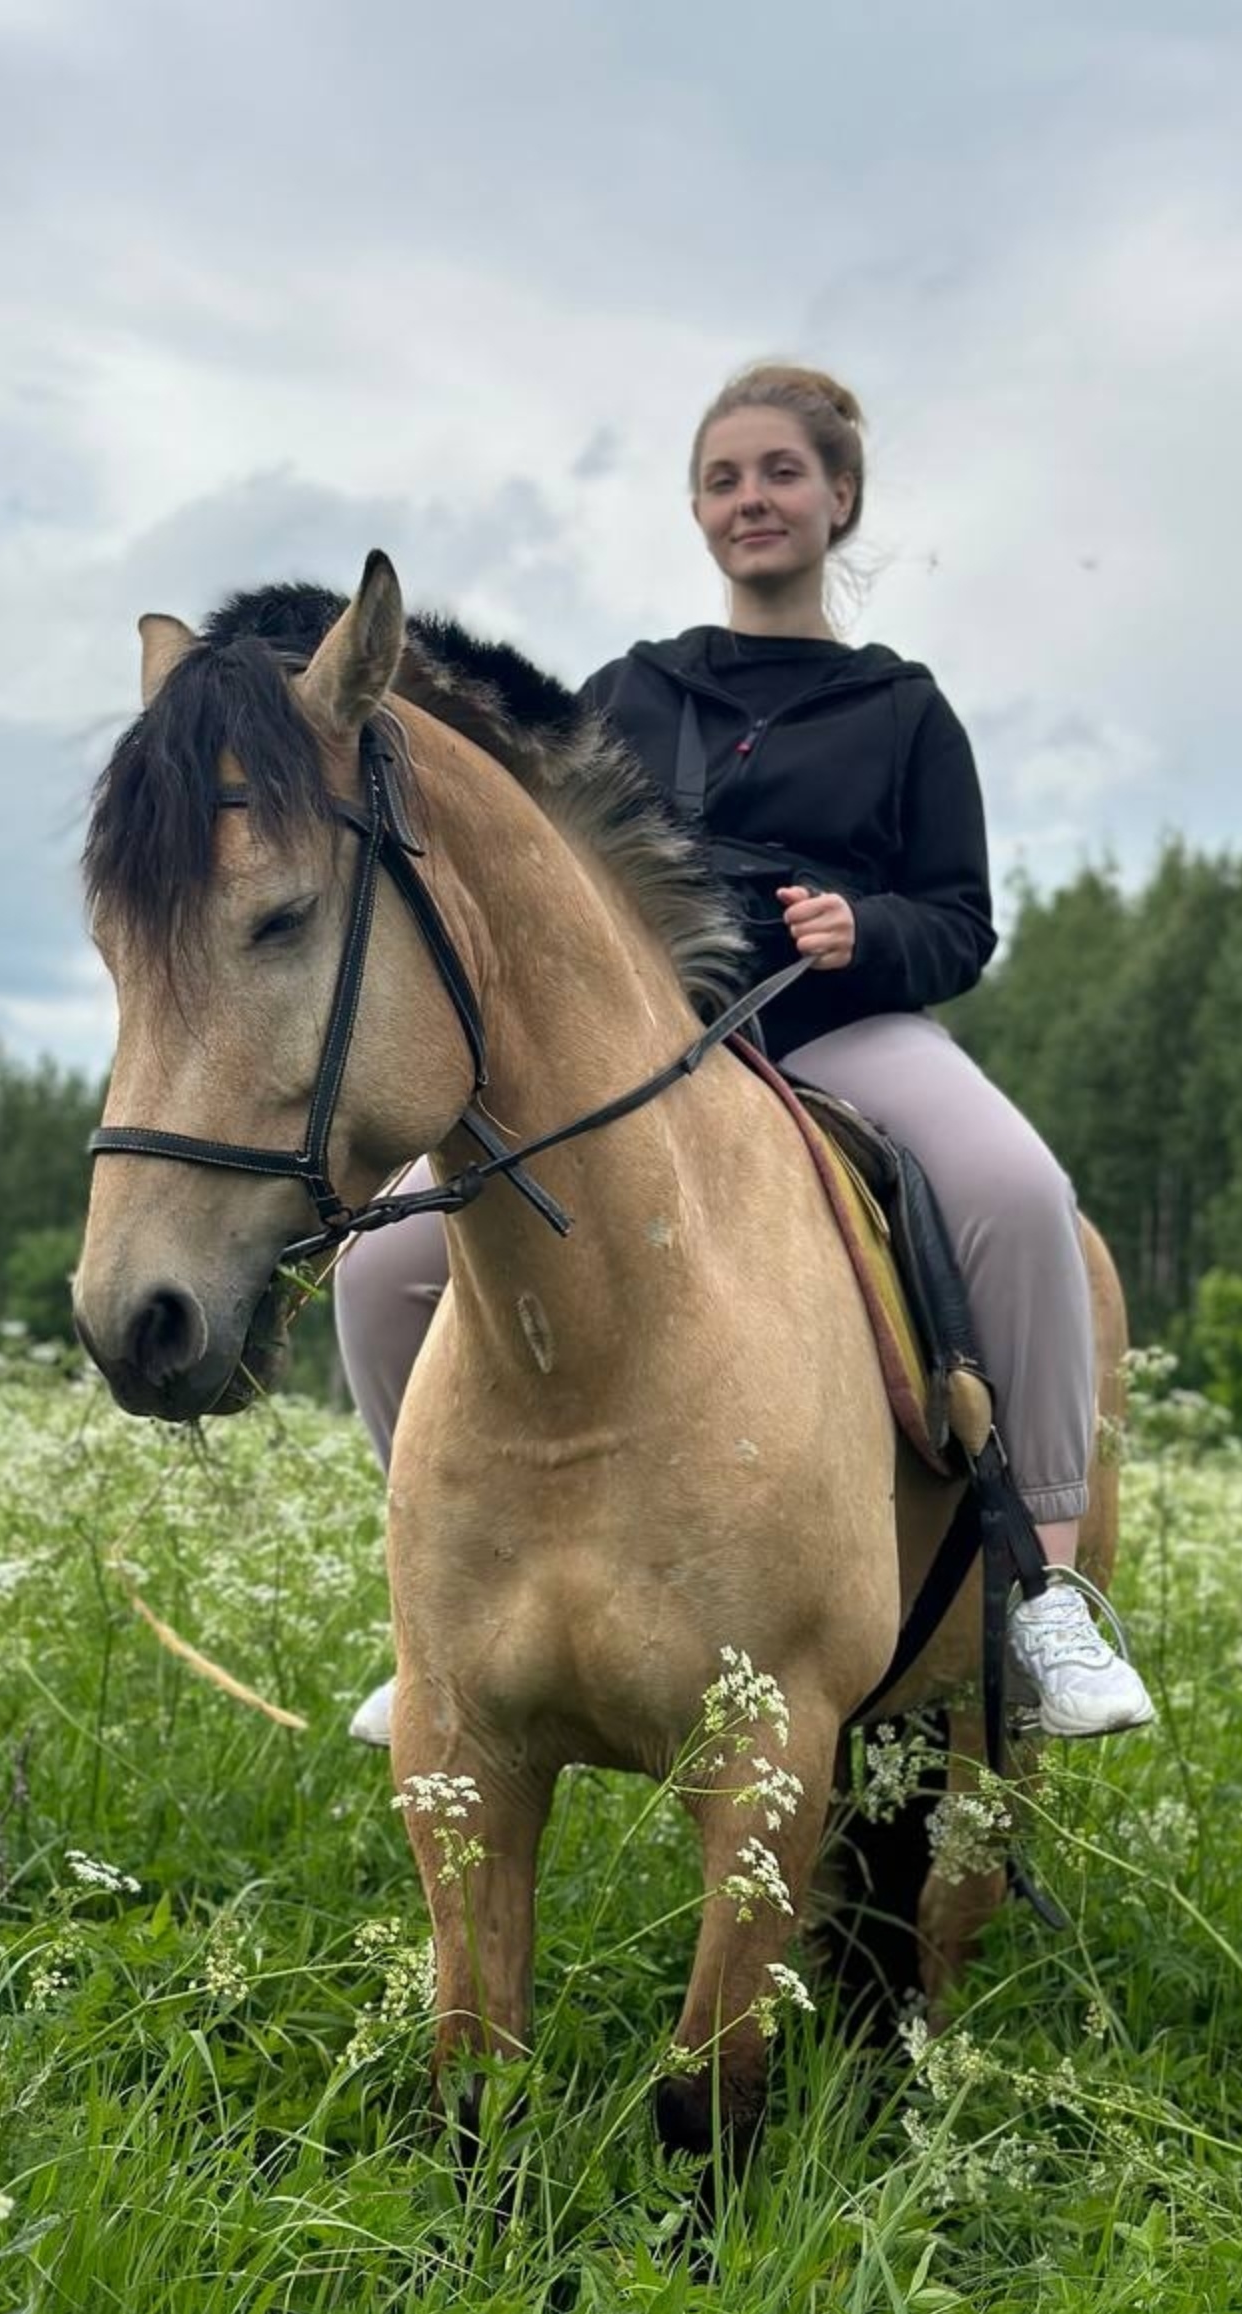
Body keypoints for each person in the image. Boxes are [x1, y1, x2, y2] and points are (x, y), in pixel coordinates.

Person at [337, 363, 1154, 1749]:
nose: (751, 499)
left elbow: (964, 923)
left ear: (840, 499)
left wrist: (867, 930)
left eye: (780, 472)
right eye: (723, 478)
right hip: (649, 1060)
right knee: (380, 1265)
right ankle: (442, 1604)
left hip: (848, 1031)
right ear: (697, 510)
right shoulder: (626, 696)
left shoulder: (904, 710)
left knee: (1019, 1193)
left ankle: (1050, 1597)